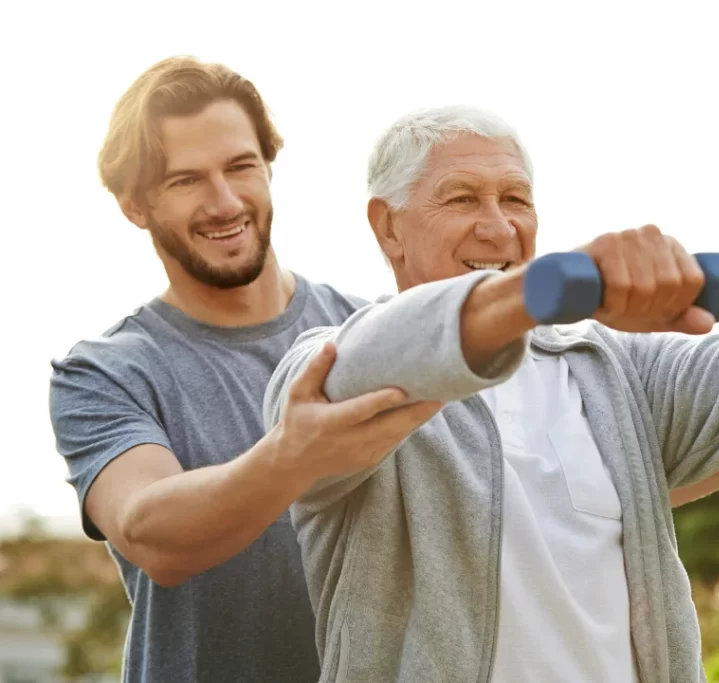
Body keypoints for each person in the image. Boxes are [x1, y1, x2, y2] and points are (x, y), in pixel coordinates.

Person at [262, 107, 719, 682]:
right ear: (388, 226)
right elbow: (382, 355)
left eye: (516, 200)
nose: (499, 228)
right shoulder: (328, 364)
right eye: (462, 198)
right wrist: (546, 288)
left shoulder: (608, 369)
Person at [47, 56, 444, 683]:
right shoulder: (103, 373)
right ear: (134, 206)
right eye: (185, 181)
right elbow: (155, 537)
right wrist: (296, 454)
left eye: (241, 167)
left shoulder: (372, 332)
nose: (224, 202)